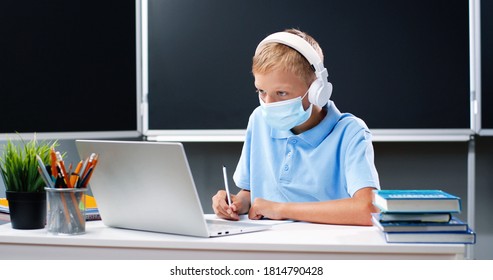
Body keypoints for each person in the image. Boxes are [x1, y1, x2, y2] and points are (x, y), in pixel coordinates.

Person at [212, 29, 380, 226]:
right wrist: (237, 202)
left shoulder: (350, 132)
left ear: (318, 90)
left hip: (326, 247)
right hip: (268, 245)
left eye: (281, 93)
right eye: (262, 91)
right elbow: (253, 193)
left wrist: (280, 209)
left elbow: (368, 209)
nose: (269, 103)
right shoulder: (259, 120)